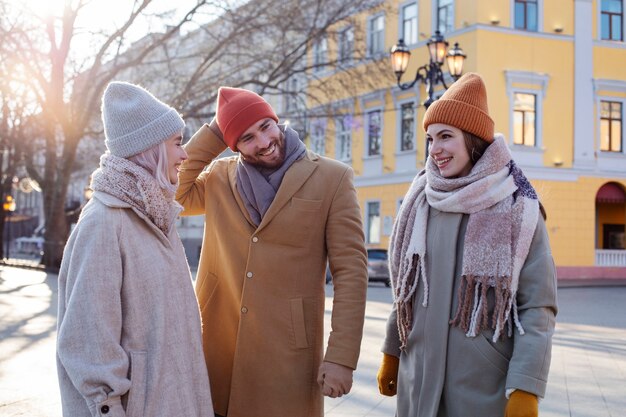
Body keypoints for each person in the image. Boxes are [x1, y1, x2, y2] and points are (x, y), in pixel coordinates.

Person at [175, 87, 368, 417]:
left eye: (265, 126)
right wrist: (216, 131)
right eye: (247, 137)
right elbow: (172, 191)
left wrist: (341, 357)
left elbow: (351, 271)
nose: (263, 142)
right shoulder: (219, 177)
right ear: (232, 144)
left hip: (288, 357)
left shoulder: (332, 178)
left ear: (276, 121)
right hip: (216, 350)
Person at [376, 73, 557, 417]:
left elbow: (538, 308)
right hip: (419, 382)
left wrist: (526, 386)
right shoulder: (421, 200)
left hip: (481, 391)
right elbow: (408, 289)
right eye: (430, 139)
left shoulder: (520, 207)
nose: (436, 150)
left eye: (446, 136)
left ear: (474, 140)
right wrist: (391, 351)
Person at [56, 82, 214, 417]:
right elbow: (88, 344)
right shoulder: (104, 222)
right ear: (151, 148)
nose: (184, 154)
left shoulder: (158, 217)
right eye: (177, 143)